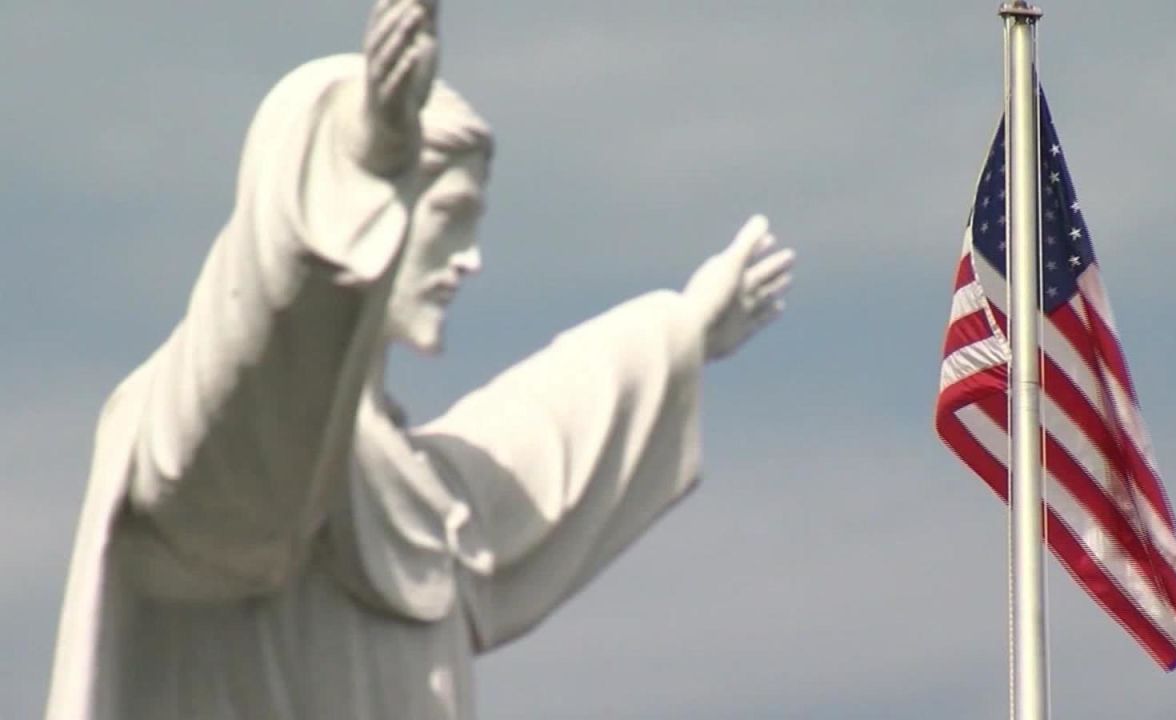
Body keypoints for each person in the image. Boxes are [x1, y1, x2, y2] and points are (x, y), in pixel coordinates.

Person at [46, 1, 795, 718]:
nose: (469, 260)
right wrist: (363, 158)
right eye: (449, 224)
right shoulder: (195, 440)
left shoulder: (419, 498)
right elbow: (257, 357)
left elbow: (534, 440)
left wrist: (682, 328)